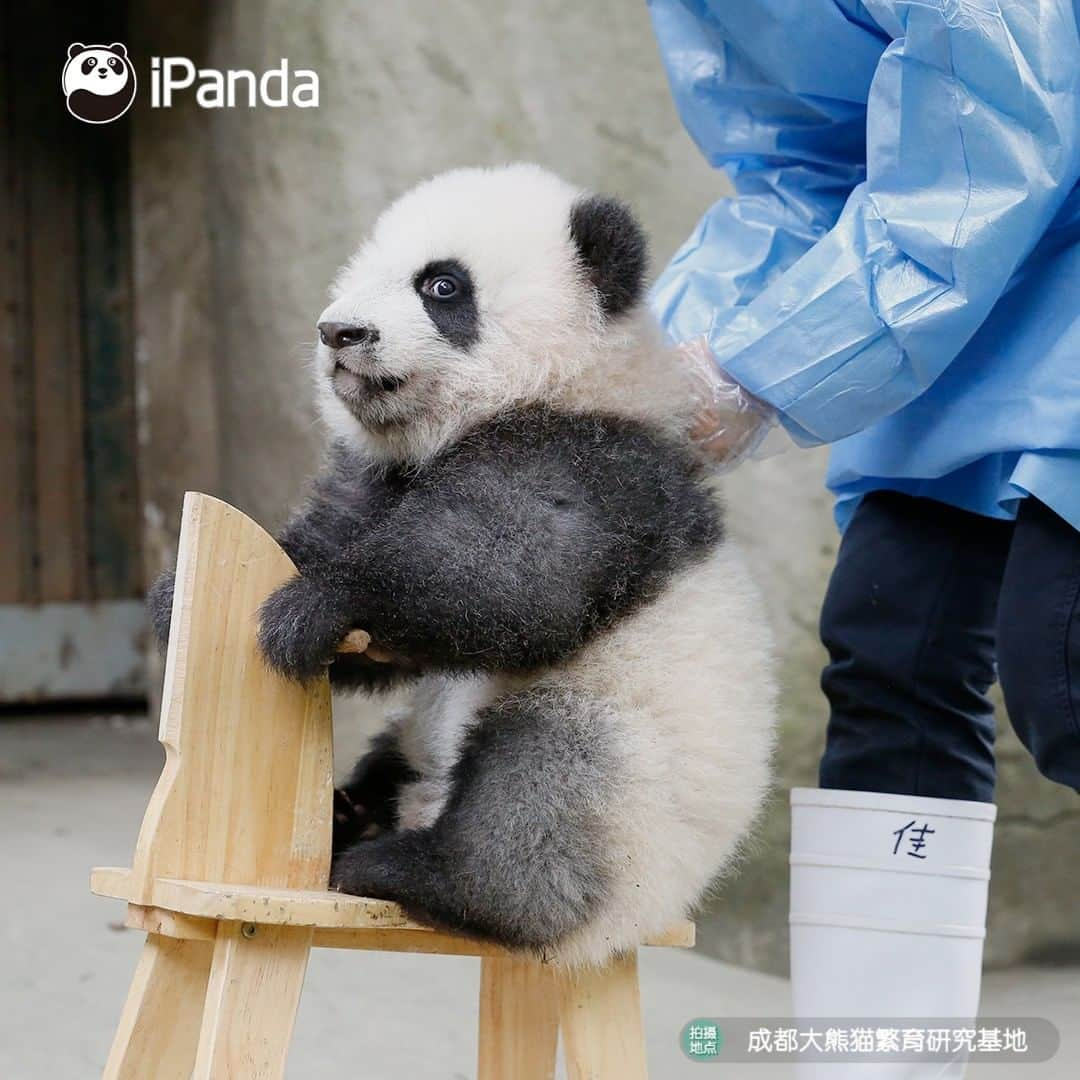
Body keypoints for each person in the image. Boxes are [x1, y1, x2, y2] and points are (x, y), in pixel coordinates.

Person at [648, 1, 1080, 1075]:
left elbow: (997, 127)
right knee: (892, 645)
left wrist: (757, 370)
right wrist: (649, 369)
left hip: (1002, 214)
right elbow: (800, 168)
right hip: (983, 287)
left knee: (1065, 668)